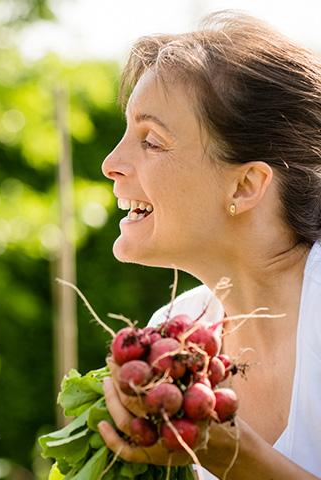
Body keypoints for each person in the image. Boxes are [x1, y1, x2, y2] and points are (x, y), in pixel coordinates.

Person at [97, 11, 321, 480]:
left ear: (245, 186)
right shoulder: (175, 340)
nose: (111, 163)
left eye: (151, 140)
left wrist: (233, 457)